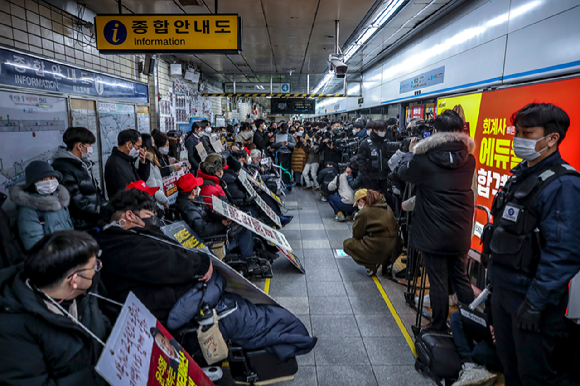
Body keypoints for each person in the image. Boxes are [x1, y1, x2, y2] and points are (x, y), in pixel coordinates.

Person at [484, 103, 580, 386]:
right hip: (504, 292)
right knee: (510, 369)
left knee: (534, 377)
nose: (519, 140)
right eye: (518, 132)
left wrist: (536, 303)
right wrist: (493, 293)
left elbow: (563, 253)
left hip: (531, 301)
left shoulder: (563, 185)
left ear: (552, 139)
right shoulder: (520, 177)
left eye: (528, 133)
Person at [397, 110, 475, 331]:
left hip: (432, 230)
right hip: (459, 230)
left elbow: (404, 174)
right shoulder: (469, 159)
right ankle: (471, 324)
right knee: (460, 278)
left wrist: (412, 152)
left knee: (438, 281)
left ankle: (438, 325)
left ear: (435, 131)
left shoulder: (423, 158)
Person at [0, 230, 109, 386]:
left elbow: (99, 319)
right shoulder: (12, 330)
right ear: (74, 280)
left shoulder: (83, 293)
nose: (99, 266)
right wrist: (100, 377)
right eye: (95, 265)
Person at [94, 188, 212, 323]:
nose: (153, 220)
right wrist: (201, 263)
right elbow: (167, 263)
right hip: (158, 316)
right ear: (130, 216)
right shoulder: (121, 245)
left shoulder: (130, 235)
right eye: (148, 215)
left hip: (170, 302)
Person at [175, 173, 256, 260]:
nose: (199, 188)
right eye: (197, 186)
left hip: (213, 227)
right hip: (213, 240)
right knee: (244, 229)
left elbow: (208, 212)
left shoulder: (191, 200)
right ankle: (249, 260)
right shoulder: (189, 209)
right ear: (193, 191)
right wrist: (222, 225)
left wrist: (222, 219)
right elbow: (202, 229)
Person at [10, 161, 74, 250]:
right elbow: (35, 246)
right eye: (43, 179)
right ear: (33, 183)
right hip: (54, 259)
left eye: (52, 178)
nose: (49, 182)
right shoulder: (27, 211)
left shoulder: (59, 200)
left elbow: (70, 230)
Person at [52, 127, 106, 230]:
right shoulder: (62, 167)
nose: (91, 149)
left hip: (94, 221)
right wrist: (104, 211)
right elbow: (77, 202)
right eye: (90, 145)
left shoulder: (83, 164)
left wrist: (108, 206)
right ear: (80, 146)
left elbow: (95, 191)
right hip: (81, 226)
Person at [343, 189, 398, 275]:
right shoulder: (387, 207)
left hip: (377, 248)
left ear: (361, 201)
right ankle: (386, 264)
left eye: (357, 203)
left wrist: (357, 220)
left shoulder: (365, 212)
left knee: (347, 244)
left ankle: (371, 265)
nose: (358, 206)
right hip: (395, 248)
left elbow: (356, 235)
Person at [356, 120, 399, 196]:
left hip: (385, 177)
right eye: (381, 130)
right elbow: (360, 160)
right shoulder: (366, 143)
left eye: (384, 130)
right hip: (371, 177)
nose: (383, 132)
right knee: (372, 199)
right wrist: (365, 175)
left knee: (386, 198)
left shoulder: (386, 142)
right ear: (375, 130)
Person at [104, 129, 149, 199]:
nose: (140, 150)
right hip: (126, 207)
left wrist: (143, 163)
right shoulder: (114, 164)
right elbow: (123, 194)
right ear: (128, 144)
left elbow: (141, 180)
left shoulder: (128, 160)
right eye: (138, 147)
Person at [140, 133, 170, 211]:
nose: (155, 146)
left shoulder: (152, 160)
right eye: (153, 144)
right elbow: (152, 187)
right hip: (155, 203)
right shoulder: (146, 162)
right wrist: (164, 201)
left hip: (157, 201)